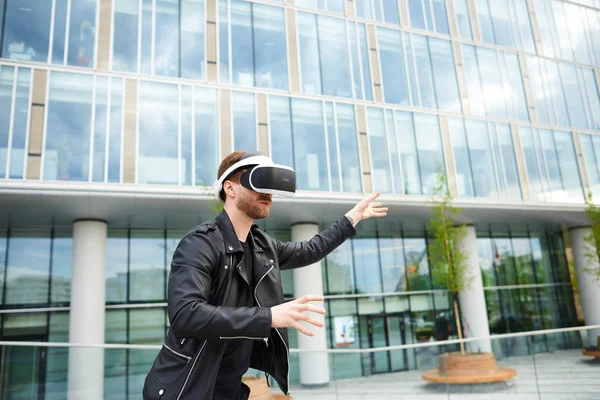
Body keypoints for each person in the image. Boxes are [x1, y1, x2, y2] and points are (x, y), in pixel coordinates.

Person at [143, 150, 388, 399]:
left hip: (228, 390)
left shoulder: (261, 245)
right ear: (230, 188)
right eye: (259, 182)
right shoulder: (200, 244)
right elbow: (186, 315)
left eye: (270, 185)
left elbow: (309, 250)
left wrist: (351, 219)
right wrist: (268, 316)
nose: (268, 193)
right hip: (185, 388)